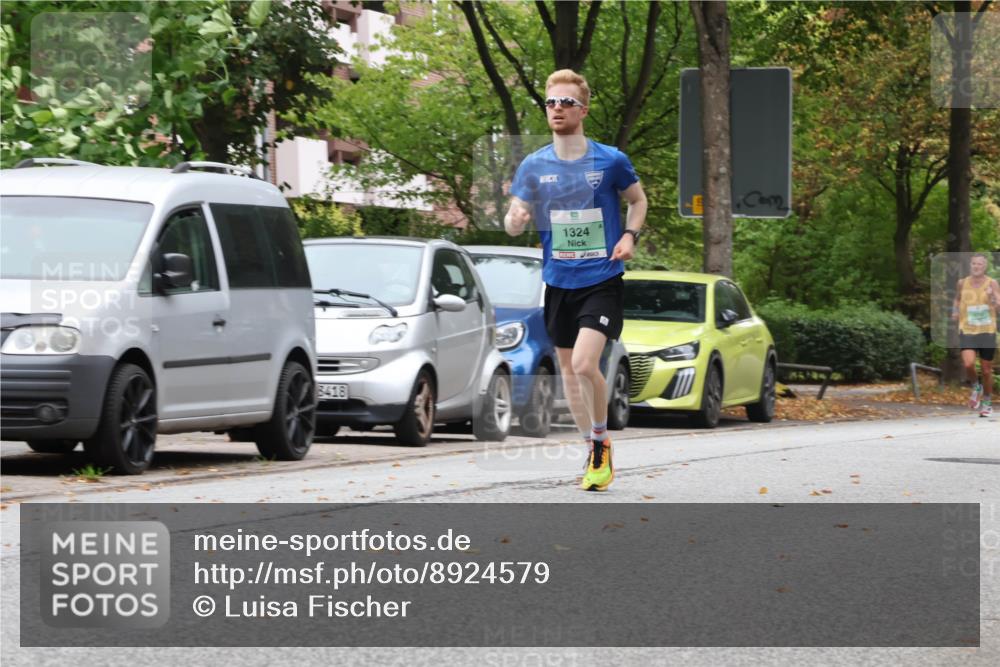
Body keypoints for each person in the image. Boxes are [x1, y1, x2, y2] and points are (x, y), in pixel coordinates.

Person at [504, 69, 648, 490]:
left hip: (601, 278)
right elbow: (514, 223)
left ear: (583, 110)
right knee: (568, 370)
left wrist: (629, 235)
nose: (557, 109)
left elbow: (638, 201)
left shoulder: (610, 160)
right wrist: (516, 218)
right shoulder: (534, 165)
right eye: (551, 102)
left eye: (566, 102)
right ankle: (590, 447)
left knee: (585, 364)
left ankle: (601, 442)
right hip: (558, 281)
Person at [952, 252, 999, 417]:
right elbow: (957, 299)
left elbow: (998, 306)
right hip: (968, 329)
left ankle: (986, 402)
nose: (976, 266)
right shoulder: (962, 283)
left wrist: (992, 297)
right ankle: (975, 386)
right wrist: (955, 311)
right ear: (970, 265)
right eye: (974, 264)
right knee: (968, 364)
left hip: (987, 330)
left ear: (984, 266)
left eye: (979, 264)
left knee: (986, 370)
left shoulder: (992, 283)